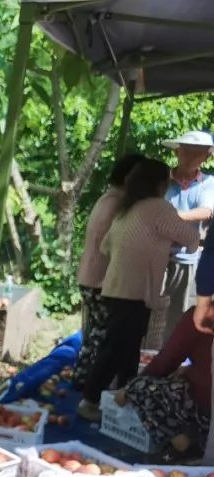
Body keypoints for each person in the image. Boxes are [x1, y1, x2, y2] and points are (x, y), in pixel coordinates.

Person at [78, 158, 200, 421]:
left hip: (115, 288)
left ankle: (127, 395)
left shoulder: (128, 207)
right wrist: (169, 247)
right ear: (159, 184)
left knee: (127, 346)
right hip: (136, 291)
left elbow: (106, 246)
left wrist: (154, 246)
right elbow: (190, 238)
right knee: (115, 348)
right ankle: (89, 400)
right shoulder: (159, 208)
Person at [73, 154, 145, 389]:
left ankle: (83, 378)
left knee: (94, 333)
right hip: (101, 279)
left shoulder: (108, 197)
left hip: (90, 275)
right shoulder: (119, 204)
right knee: (103, 336)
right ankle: (91, 384)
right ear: (130, 178)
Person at [148, 130, 214, 346]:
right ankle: (147, 352)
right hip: (154, 255)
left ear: (207, 156)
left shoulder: (209, 183)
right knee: (149, 310)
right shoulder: (160, 180)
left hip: (186, 258)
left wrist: (170, 216)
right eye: (187, 150)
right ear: (177, 152)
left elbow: (206, 211)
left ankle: (169, 355)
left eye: (198, 152)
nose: (191, 156)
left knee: (178, 315)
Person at [118, 307, 211, 454]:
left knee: (140, 388)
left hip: (205, 407)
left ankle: (180, 439)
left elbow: (167, 360)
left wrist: (129, 388)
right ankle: (196, 436)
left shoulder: (201, 315)